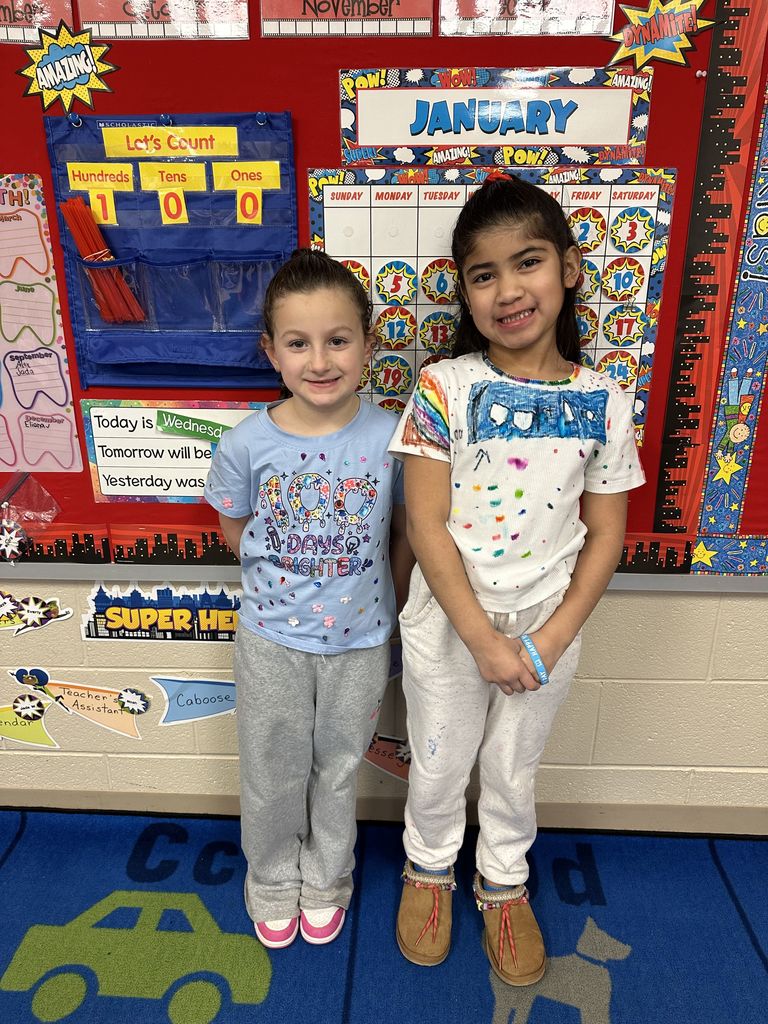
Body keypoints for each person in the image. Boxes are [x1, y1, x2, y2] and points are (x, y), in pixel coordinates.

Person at [389, 175, 645, 985]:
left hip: (548, 620)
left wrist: (550, 635)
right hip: (451, 618)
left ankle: (503, 883)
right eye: (483, 273)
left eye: (526, 263)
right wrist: (479, 640)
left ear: (570, 269)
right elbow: (424, 524)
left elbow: (607, 533)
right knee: (437, 757)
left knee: (511, 765)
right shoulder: (443, 388)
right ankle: (428, 868)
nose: (507, 291)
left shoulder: (606, 400)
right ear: (463, 291)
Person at [205, 248, 412, 950]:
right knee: (272, 770)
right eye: (298, 343)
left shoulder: (392, 437)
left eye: (337, 339)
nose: (319, 360)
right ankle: (269, 881)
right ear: (272, 352)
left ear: (368, 344)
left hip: (359, 642)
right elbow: (236, 524)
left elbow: (404, 534)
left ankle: (327, 879)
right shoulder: (246, 443)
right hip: (271, 642)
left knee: (338, 768)